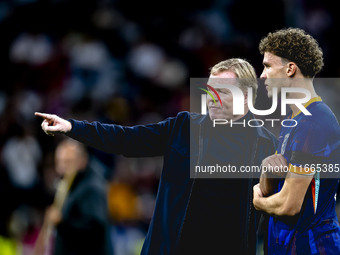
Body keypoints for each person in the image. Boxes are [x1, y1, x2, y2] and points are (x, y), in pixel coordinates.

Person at [36, 58, 278, 255]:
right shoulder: (184, 126)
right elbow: (127, 140)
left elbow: (282, 208)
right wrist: (72, 127)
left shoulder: (267, 144)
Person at [253, 28, 340, 254]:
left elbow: (289, 205)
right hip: (286, 244)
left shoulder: (314, 123)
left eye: (268, 66)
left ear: (290, 68)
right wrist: (265, 171)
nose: (262, 75)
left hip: (310, 246)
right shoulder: (293, 119)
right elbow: (274, 190)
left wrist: (257, 201)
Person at [44, 139, 113, 255]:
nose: (61, 168)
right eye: (59, 162)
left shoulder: (92, 187)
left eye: (67, 162)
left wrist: (62, 223)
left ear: (82, 161)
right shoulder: (71, 182)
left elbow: (95, 230)